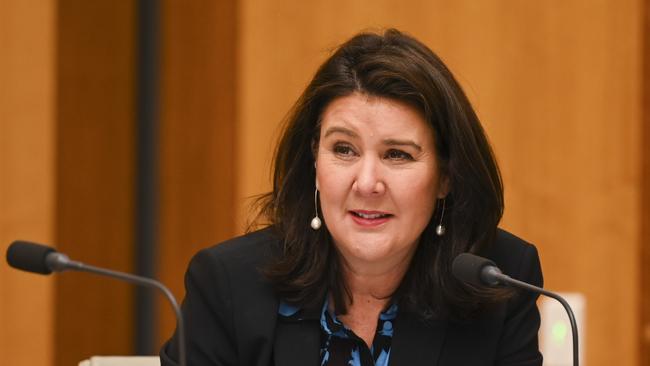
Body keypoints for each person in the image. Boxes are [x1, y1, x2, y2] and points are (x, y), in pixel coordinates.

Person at [161, 28, 543, 366]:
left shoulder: (499, 280)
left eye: (397, 155)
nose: (367, 183)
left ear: (445, 176)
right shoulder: (228, 283)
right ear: (314, 159)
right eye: (344, 150)